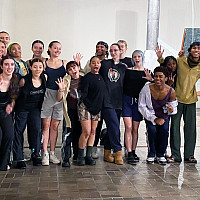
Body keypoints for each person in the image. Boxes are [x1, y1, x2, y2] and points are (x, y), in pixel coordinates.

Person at [138, 66, 177, 164]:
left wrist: (170, 110)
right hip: (151, 115)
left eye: (160, 77)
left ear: (166, 78)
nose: (158, 79)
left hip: (163, 116)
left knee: (164, 131)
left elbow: (173, 108)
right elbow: (141, 106)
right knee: (152, 130)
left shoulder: (171, 91)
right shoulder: (146, 88)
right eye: (156, 76)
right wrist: (154, 119)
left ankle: (160, 154)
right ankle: (151, 153)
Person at [13, 58, 46, 169]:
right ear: (30, 68)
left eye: (40, 67)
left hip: (35, 109)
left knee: (36, 130)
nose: (37, 69)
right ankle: (19, 157)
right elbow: (15, 94)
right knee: (19, 131)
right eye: (35, 67)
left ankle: (35, 154)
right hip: (22, 109)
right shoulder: (24, 80)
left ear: (43, 68)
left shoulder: (44, 78)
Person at [122, 50, 153, 164]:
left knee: (135, 128)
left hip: (138, 103)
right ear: (132, 59)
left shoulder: (146, 72)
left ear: (142, 57)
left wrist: (151, 79)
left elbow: (155, 85)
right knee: (128, 127)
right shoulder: (128, 71)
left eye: (139, 56)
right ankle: (129, 152)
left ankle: (133, 151)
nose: (137, 58)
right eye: (134, 57)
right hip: (126, 100)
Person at [99, 43, 127, 165]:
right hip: (106, 101)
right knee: (114, 125)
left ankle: (106, 151)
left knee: (112, 127)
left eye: (115, 50)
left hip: (119, 101)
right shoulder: (104, 64)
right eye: (111, 50)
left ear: (120, 51)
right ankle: (118, 150)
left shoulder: (124, 67)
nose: (113, 52)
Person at [41, 41, 67, 166]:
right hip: (47, 95)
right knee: (46, 126)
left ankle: (52, 152)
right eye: (55, 48)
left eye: (59, 48)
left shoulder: (65, 63)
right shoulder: (44, 63)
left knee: (55, 126)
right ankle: (44, 152)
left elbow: (75, 73)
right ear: (50, 49)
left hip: (60, 95)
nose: (57, 50)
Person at [77, 56, 106, 166]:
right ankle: (80, 156)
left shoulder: (101, 78)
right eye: (93, 63)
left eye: (98, 63)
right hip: (85, 106)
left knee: (93, 131)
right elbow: (84, 94)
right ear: (90, 65)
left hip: (96, 108)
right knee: (86, 131)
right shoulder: (87, 77)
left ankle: (88, 155)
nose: (96, 65)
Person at [59, 61, 82, 167]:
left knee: (79, 134)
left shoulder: (84, 79)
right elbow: (60, 98)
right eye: (70, 69)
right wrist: (62, 90)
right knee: (68, 135)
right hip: (69, 112)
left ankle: (78, 156)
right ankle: (66, 158)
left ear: (78, 67)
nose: (73, 70)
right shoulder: (66, 80)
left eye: (74, 67)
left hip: (82, 112)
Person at [0, 56, 19, 171]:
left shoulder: (15, 79)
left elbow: (13, 97)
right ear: (2, 66)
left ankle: (3, 163)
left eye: (12, 64)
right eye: (6, 64)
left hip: (5, 112)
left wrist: (11, 105)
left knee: (9, 135)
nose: (9, 67)